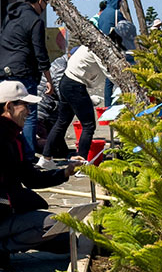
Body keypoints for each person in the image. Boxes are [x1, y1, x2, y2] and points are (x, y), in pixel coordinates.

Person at [0, 81, 81, 272]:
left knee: (68, 242)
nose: (29, 110)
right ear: (9, 106)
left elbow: (30, 177)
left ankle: (4, 242)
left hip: (9, 210)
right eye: (25, 105)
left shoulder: (13, 135)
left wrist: (64, 173)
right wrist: (11, 202)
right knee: (56, 224)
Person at [38, 26, 125, 168]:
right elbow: (107, 70)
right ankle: (80, 164)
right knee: (88, 125)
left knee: (61, 122)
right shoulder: (100, 48)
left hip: (67, 82)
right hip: (75, 85)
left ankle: (46, 159)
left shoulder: (95, 42)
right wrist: (123, 85)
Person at [0, 0, 53, 162]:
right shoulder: (35, 20)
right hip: (21, 71)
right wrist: (49, 80)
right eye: (45, 4)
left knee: (4, 113)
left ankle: (3, 155)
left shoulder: (11, 15)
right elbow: (40, 52)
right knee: (28, 114)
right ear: (40, 1)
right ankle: (26, 158)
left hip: (0, 67)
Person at [36, 50, 72, 158]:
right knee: (52, 149)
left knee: (60, 150)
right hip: (42, 114)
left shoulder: (62, 62)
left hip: (49, 111)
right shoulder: (61, 67)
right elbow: (63, 93)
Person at [97, 0, 126, 107]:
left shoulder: (102, 14)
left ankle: (107, 106)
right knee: (119, 78)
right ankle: (117, 106)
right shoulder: (116, 13)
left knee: (109, 79)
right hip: (115, 48)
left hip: (104, 49)